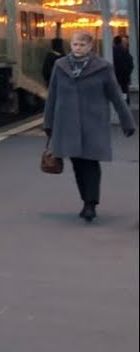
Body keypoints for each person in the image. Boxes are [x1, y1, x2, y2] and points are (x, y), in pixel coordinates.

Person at [43, 30, 136, 222]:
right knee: (77, 163)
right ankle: (85, 199)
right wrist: (48, 123)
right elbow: (52, 96)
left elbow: (116, 96)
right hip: (67, 123)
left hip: (93, 123)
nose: (78, 48)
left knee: (91, 162)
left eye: (82, 45)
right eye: (75, 44)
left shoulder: (102, 68)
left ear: (90, 46)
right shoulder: (60, 66)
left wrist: (127, 122)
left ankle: (90, 204)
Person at [112, 34, 134, 105]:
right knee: (124, 90)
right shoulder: (124, 51)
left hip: (116, 75)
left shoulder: (113, 51)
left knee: (118, 90)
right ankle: (125, 103)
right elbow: (130, 63)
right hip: (124, 76)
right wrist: (128, 72)